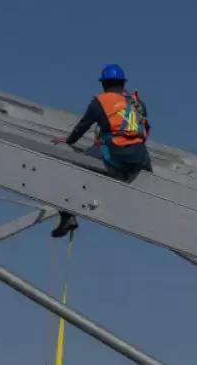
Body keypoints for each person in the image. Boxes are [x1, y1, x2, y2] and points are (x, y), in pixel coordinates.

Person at [49, 63, 152, 237]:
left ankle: (67, 215)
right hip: (141, 156)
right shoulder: (134, 101)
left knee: (75, 165)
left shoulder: (100, 102)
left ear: (104, 84)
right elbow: (143, 122)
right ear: (123, 83)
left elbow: (83, 126)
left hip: (117, 153)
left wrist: (68, 140)